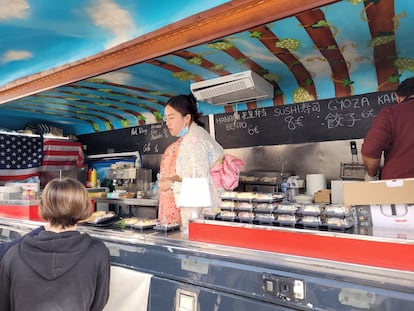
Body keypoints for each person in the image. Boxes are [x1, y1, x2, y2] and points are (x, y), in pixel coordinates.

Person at [0, 177, 110, 311]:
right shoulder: (98, 252)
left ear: (44, 206)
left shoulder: (13, 254)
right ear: (84, 207)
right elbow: (98, 303)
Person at [158, 94, 224, 226]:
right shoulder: (193, 136)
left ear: (187, 118)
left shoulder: (194, 141)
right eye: (166, 118)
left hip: (203, 212)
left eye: (171, 117)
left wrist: (170, 185)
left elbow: (197, 185)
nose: (167, 123)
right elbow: (190, 174)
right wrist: (173, 179)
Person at [361, 77, 414, 180]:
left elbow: (371, 149)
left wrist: (371, 175)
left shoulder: (391, 113)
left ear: (398, 97)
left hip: (401, 185)